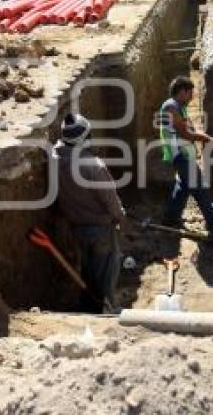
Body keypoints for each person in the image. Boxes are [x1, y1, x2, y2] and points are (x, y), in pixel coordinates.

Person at [53, 113, 129, 313]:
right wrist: (120, 217)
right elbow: (110, 200)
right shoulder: (93, 166)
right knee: (106, 272)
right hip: (101, 230)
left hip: (75, 228)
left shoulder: (54, 157)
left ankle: (89, 307)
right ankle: (108, 309)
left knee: (87, 272)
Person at [158, 76, 213, 241]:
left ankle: (169, 219)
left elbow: (190, 129)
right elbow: (186, 133)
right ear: (182, 91)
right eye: (190, 93)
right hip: (180, 156)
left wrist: (208, 138)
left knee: (183, 187)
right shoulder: (171, 106)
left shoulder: (180, 108)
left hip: (185, 156)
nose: (192, 97)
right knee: (201, 191)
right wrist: (210, 140)